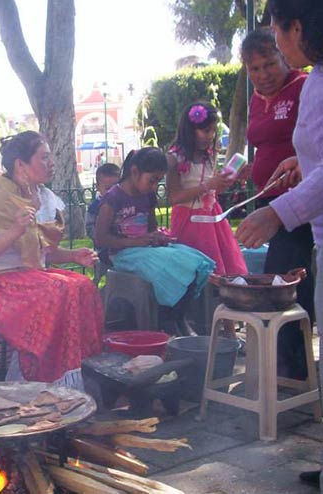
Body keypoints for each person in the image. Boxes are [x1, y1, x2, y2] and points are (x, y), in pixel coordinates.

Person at [236, 0, 323, 486]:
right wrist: (297, 166)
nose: (273, 62)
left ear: (296, 28)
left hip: (299, 216)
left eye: (277, 38)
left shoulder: (309, 81)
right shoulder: (316, 79)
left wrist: (277, 211)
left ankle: (294, 379)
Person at [0, 131, 103, 385]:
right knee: (60, 290)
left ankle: (76, 374)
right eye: (44, 157)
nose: (52, 163)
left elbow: (41, 253)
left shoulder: (44, 196)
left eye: (50, 157)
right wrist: (15, 230)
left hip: (28, 276)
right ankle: (41, 378)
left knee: (83, 286)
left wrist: (73, 256)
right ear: (20, 164)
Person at [242, 27, 313, 379]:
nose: (263, 75)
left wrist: (301, 164)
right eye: (254, 69)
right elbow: (265, 145)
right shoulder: (256, 98)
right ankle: (292, 368)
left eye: (269, 64)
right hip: (269, 199)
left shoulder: (304, 86)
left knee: (285, 282)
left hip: (301, 203)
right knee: (288, 279)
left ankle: (292, 372)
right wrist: (252, 171)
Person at [95, 147, 216, 336]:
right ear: (135, 172)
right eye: (152, 180)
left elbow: (151, 228)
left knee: (194, 260)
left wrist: (158, 237)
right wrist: (134, 242)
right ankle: (167, 321)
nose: (154, 187)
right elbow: (100, 238)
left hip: (145, 249)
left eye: (157, 181)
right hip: (122, 254)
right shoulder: (113, 198)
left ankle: (177, 317)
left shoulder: (148, 196)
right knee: (174, 264)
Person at [167, 101, 247, 277]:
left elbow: (210, 189)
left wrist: (220, 184)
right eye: (205, 130)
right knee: (196, 269)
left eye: (212, 130)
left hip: (212, 217)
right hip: (188, 219)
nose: (210, 135)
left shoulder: (209, 154)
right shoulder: (175, 158)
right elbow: (173, 198)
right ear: (190, 130)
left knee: (224, 267)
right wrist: (207, 186)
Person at [85, 163, 121, 242]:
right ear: (98, 187)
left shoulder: (123, 202)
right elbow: (89, 227)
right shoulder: (94, 206)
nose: (112, 192)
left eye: (115, 187)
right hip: (104, 248)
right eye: (108, 188)